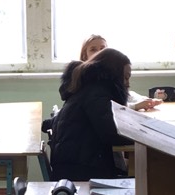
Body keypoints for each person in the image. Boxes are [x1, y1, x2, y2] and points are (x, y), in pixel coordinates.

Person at [49, 48, 134, 181]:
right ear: (114, 75)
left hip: (75, 164)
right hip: (81, 172)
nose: (127, 84)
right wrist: (143, 137)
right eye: (125, 77)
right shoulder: (96, 93)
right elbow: (111, 134)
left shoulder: (88, 87)